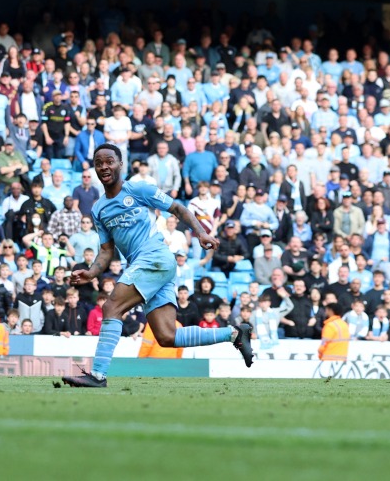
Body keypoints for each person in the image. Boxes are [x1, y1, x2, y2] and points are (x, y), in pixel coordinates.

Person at [61, 144, 252, 388]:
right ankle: (235, 333)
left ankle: (97, 375)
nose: (104, 166)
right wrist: (91, 272)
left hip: (155, 257)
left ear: (121, 164)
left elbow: (177, 208)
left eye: (109, 161)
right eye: (99, 163)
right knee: (166, 336)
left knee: (111, 307)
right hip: (150, 267)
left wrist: (201, 233)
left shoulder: (138, 189)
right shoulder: (99, 209)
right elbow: (107, 251)